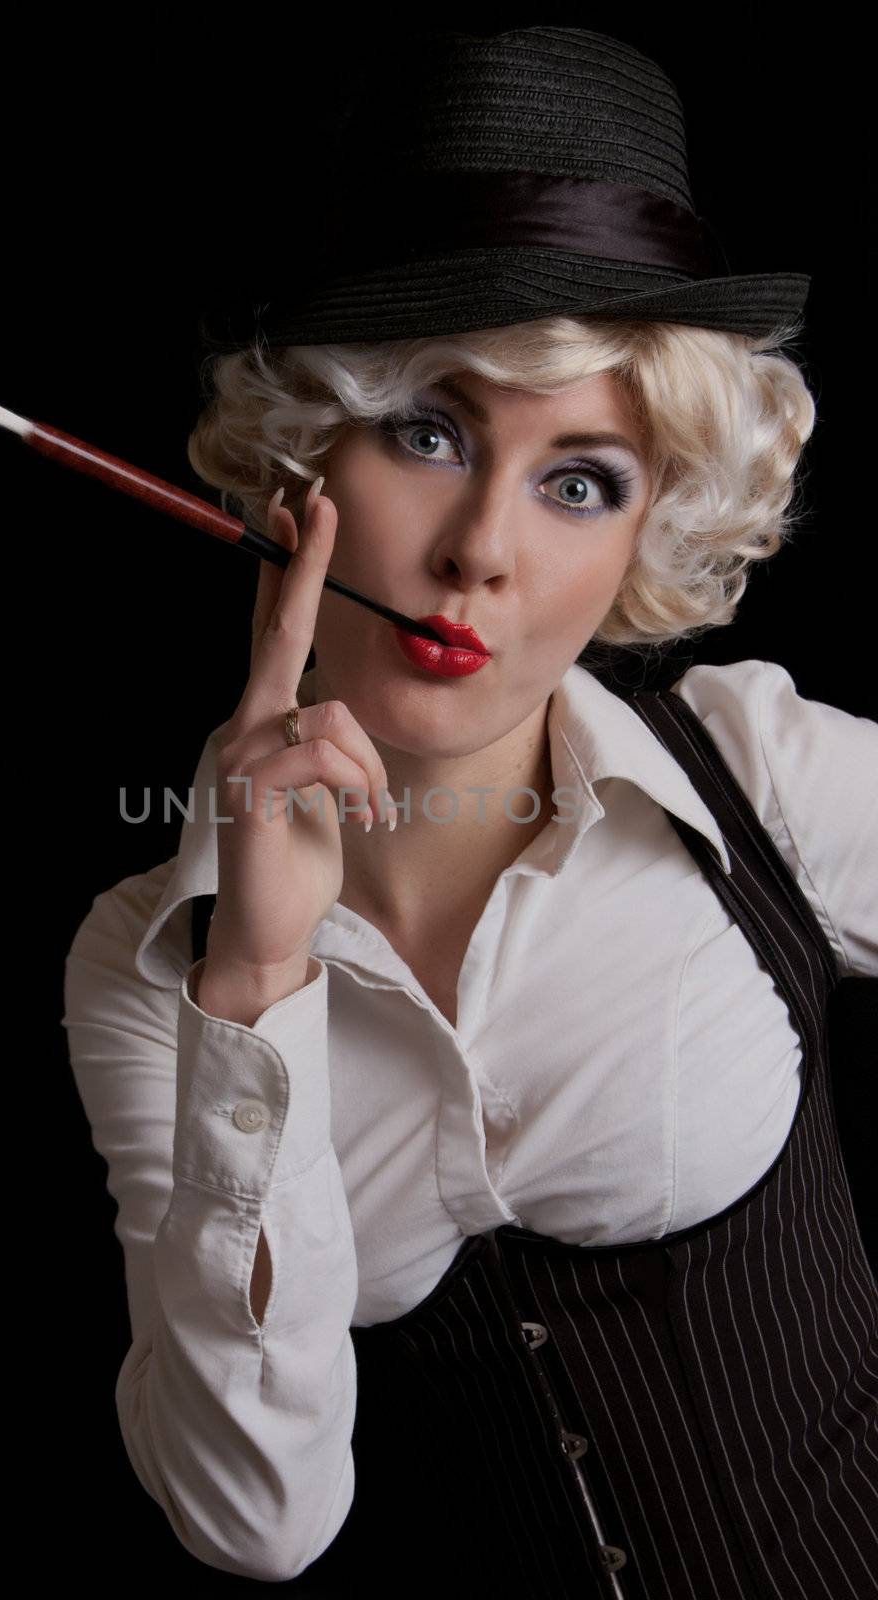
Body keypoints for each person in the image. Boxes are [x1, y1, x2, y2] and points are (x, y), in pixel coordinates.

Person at [61, 25, 878, 1598]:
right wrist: (257, 986)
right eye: (428, 434)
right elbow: (256, 1522)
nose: (480, 552)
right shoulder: (147, 962)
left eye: (582, 480)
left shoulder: (760, 783)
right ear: (305, 467)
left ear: (651, 527)